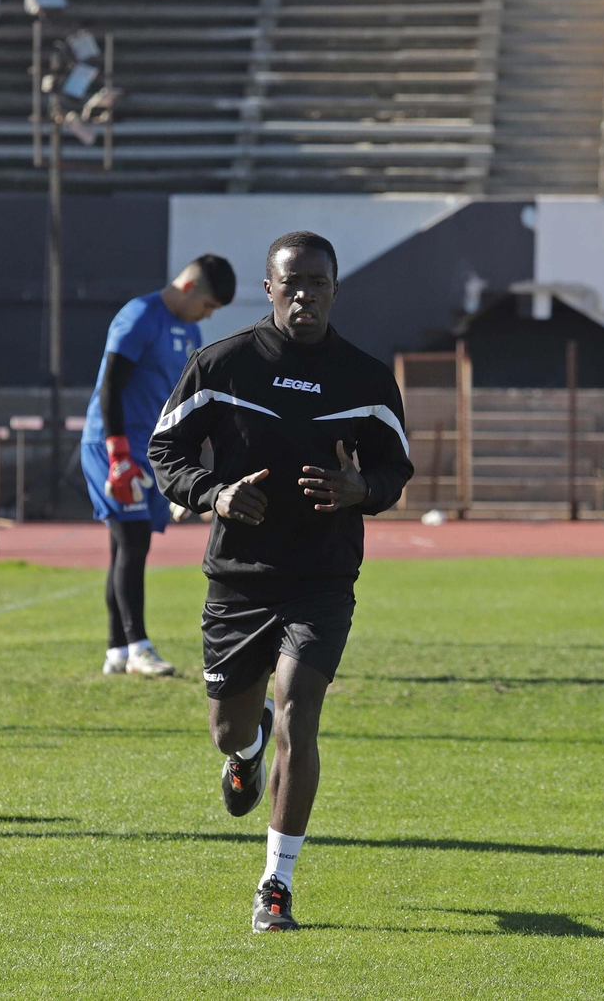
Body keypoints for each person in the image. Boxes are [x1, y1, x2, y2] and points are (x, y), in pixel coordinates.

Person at [149, 231, 413, 931]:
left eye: (317, 283)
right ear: (269, 289)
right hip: (239, 578)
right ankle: (246, 745)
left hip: (323, 576)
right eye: (291, 283)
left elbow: (396, 469)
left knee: (302, 710)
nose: (305, 295)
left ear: (334, 288)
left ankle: (276, 884)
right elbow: (165, 448)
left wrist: (361, 488)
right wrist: (214, 493)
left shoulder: (365, 377)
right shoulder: (222, 364)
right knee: (228, 727)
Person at [80, 255, 236, 676]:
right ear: (189, 287)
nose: (208, 315)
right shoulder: (139, 316)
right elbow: (110, 384)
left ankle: (117, 650)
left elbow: (189, 405)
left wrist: (190, 471)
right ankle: (139, 647)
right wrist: (117, 456)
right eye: (208, 305)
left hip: (152, 451)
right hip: (115, 447)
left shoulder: (190, 329)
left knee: (126, 546)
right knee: (132, 542)